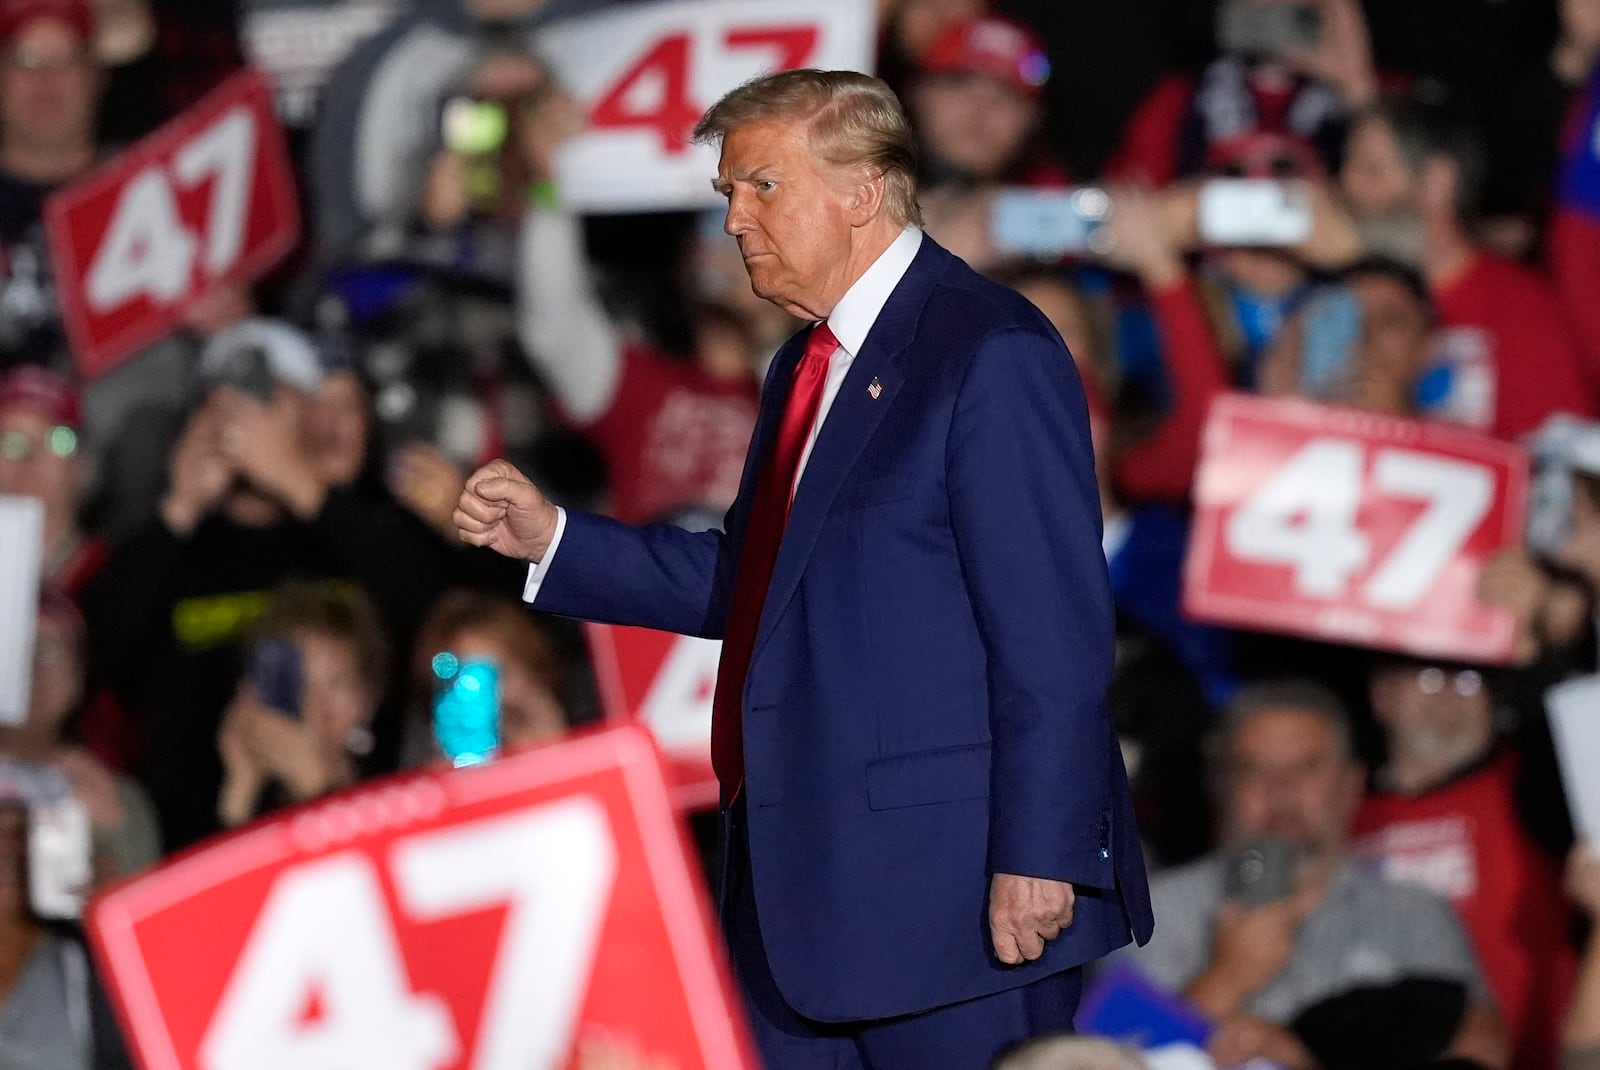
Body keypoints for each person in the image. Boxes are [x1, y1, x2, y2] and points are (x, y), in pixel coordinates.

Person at [456, 69, 1151, 1069]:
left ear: (861, 190)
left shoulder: (986, 350)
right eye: (727, 194)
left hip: (959, 908)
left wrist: (1038, 854)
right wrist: (556, 539)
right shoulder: (803, 364)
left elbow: (1054, 635)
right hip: (798, 900)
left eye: (760, 187)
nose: (734, 218)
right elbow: (755, 577)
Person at [1112, 681, 1509, 1070]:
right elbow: (1099, 1059)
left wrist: (1307, 1059)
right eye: (1254, 770)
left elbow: (1483, 1050)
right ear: (1222, 786)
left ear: (1351, 784)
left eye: (1306, 769)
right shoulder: (1155, 908)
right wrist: (1224, 979)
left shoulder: (1413, 911)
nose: (1281, 790)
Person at [1353, 658, 1576, 1070]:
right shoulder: (1341, 812)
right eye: (1431, 677)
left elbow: (1571, 702)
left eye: (1469, 679)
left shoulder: (1534, 788)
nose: (1450, 695)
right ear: (1381, 695)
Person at [1336, 95, 1597, 438]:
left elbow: (1558, 472)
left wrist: (1402, 424)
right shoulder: (1330, 291)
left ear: (1437, 183)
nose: (1347, 186)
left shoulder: (1518, 307)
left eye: (1372, 170)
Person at [216, 581, 389, 828]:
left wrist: (313, 784)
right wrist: (240, 787)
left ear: (367, 700)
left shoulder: (391, 793)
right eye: (300, 681)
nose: (313, 703)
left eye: (336, 682)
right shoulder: (262, 802)